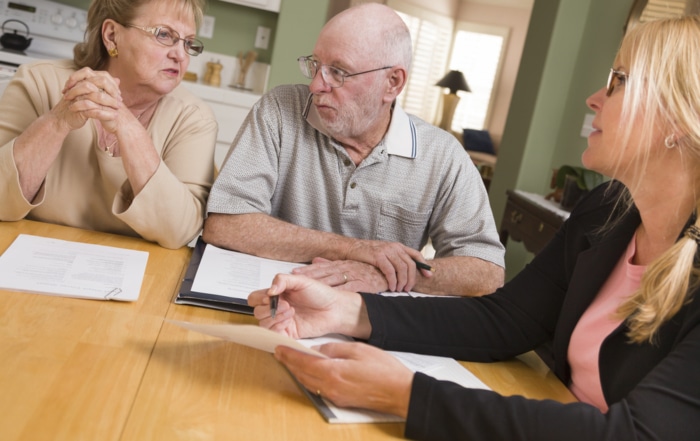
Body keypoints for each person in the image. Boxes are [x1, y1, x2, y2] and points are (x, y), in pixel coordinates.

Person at [248, 15, 700, 441]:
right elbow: (505, 320)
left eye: (617, 82)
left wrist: (406, 395)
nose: (594, 98)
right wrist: (348, 311)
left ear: (676, 121)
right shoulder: (606, 211)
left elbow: (635, 434)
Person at [203, 3, 504, 296]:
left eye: (338, 72)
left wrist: (383, 276)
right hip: (276, 299)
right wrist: (353, 250)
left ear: (393, 83)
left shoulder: (443, 156)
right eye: (316, 65)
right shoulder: (280, 110)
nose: (316, 86)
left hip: (371, 327)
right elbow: (225, 224)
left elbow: (487, 272)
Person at [0, 0, 217, 249]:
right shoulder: (37, 82)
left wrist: (128, 127)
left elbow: (179, 232)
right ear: (112, 36)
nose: (180, 54)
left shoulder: (194, 118)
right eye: (164, 34)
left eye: (188, 42)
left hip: (137, 276)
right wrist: (58, 121)